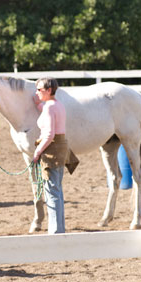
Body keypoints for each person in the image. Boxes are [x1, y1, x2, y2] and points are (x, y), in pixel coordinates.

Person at [32, 77, 79, 234]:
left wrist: (37, 152)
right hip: (61, 148)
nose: (37, 92)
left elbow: (49, 134)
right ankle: (59, 229)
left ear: (49, 90)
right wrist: (39, 105)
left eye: (40, 90)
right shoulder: (57, 105)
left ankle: (55, 231)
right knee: (56, 190)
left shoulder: (49, 108)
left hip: (52, 151)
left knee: (51, 192)